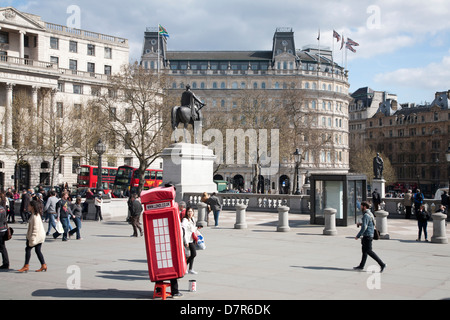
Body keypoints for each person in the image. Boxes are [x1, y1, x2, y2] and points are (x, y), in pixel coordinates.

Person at [354, 201, 386, 272]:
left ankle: (382, 264)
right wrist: (360, 224)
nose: (360, 207)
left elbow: (364, 227)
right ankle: (361, 266)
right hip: (369, 234)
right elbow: (367, 224)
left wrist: (358, 235)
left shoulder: (366, 215)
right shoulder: (370, 213)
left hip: (367, 235)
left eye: (361, 206)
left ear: (364, 207)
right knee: (364, 251)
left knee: (369, 251)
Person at [18, 197, 47, 273]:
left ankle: (26, 266)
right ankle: (43, 265)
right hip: (39, 236)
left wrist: (32, 238)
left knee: (28, 249)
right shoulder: (34, 214)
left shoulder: (35, 216)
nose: (28, 207)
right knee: (38, 251)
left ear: (32, 207)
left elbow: (35, 228)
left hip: (36, 237)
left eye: (29, 206)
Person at [181, 207, 201, 274]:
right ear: (186, 212)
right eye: (189, 211)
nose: (190, 213)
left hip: (192, 238)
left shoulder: (192, 219)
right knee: (193, 254)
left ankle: (190, 269)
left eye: (191, 211)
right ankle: (184, 267)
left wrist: (197, 228)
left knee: (192, 254)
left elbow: (192, 229)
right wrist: (186, 241)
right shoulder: (185, 220)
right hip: (187, 240)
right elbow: (184, 231)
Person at [0, 203, 9, 270]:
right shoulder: (2, 208)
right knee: (3, 247)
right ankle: (6, 263)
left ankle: (6, 263)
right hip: (3, 229)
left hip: (0, 230)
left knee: (2, 248)